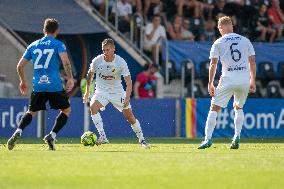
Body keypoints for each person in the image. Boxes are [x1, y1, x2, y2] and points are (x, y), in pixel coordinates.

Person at [7, 18, 74, 151]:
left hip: (38, 85)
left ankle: (18, 131)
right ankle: (52, 135)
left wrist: (23, 81)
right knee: (66, 110)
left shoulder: (33, 45)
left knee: (31, 112)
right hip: (54, 85)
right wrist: (70, 78)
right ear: (57, 31)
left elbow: (20, 66)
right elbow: (65, 62)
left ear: (44, 30)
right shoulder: (58, 44)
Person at [198, 16, 256, 149]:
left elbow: (213, 63)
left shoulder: (218, 42)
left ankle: (207, 139)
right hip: (243, 79)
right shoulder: (245, 40)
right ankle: (236, 136)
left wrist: (210, 83)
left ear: (220, 28)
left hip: (228, 79)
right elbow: (252, 61)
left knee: (214, 108)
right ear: (231, 26)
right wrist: (252, 80)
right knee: (238, 107)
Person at [83, 38, 149, 148]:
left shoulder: (120, 62)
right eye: (104, 50)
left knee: (130, 117)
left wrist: (127, 97)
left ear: (113, 49)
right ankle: (103, 136)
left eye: (108, 50)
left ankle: (142, 140)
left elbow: (129, 82)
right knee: (93, 107)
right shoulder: (97, 60)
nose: (105, 52)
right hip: (101, 91)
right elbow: (90, 74)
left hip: (117, 92)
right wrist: (87, 91)